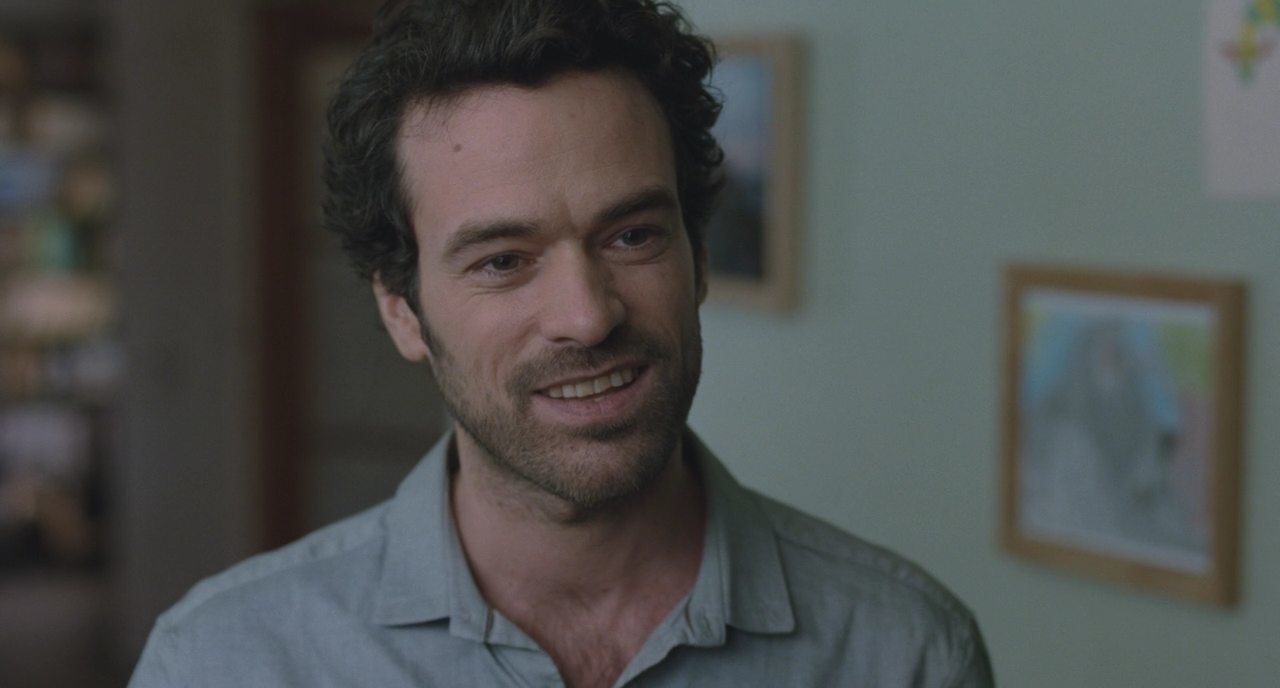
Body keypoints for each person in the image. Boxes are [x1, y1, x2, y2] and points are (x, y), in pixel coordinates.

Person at [129, 1, 994, 686]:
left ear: (697, 258)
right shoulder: (224, 663)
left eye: (632, 236)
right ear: (401, 311)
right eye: (503, 261)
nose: (587, 316)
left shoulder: (904, 651)